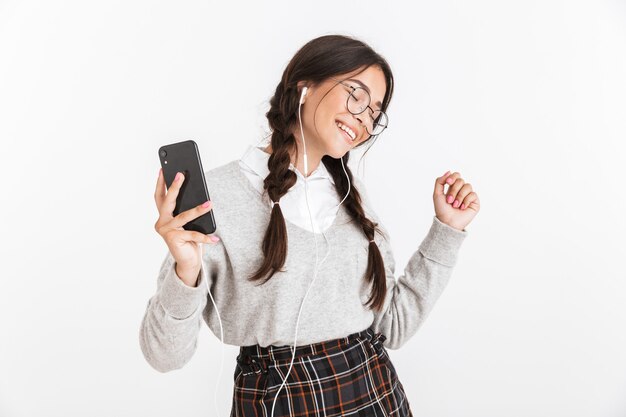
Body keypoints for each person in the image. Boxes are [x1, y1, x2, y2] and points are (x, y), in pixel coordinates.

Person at [140, 34, 480, 417]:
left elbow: (393, 326)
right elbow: (163, 356)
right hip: (278, 402)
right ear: (305, 86)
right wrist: (186, 271)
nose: (363, 118)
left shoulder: (353, 197)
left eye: (374, 112)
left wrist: (446, 231)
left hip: (376, 396)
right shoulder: (215, 197)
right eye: (356, 94)